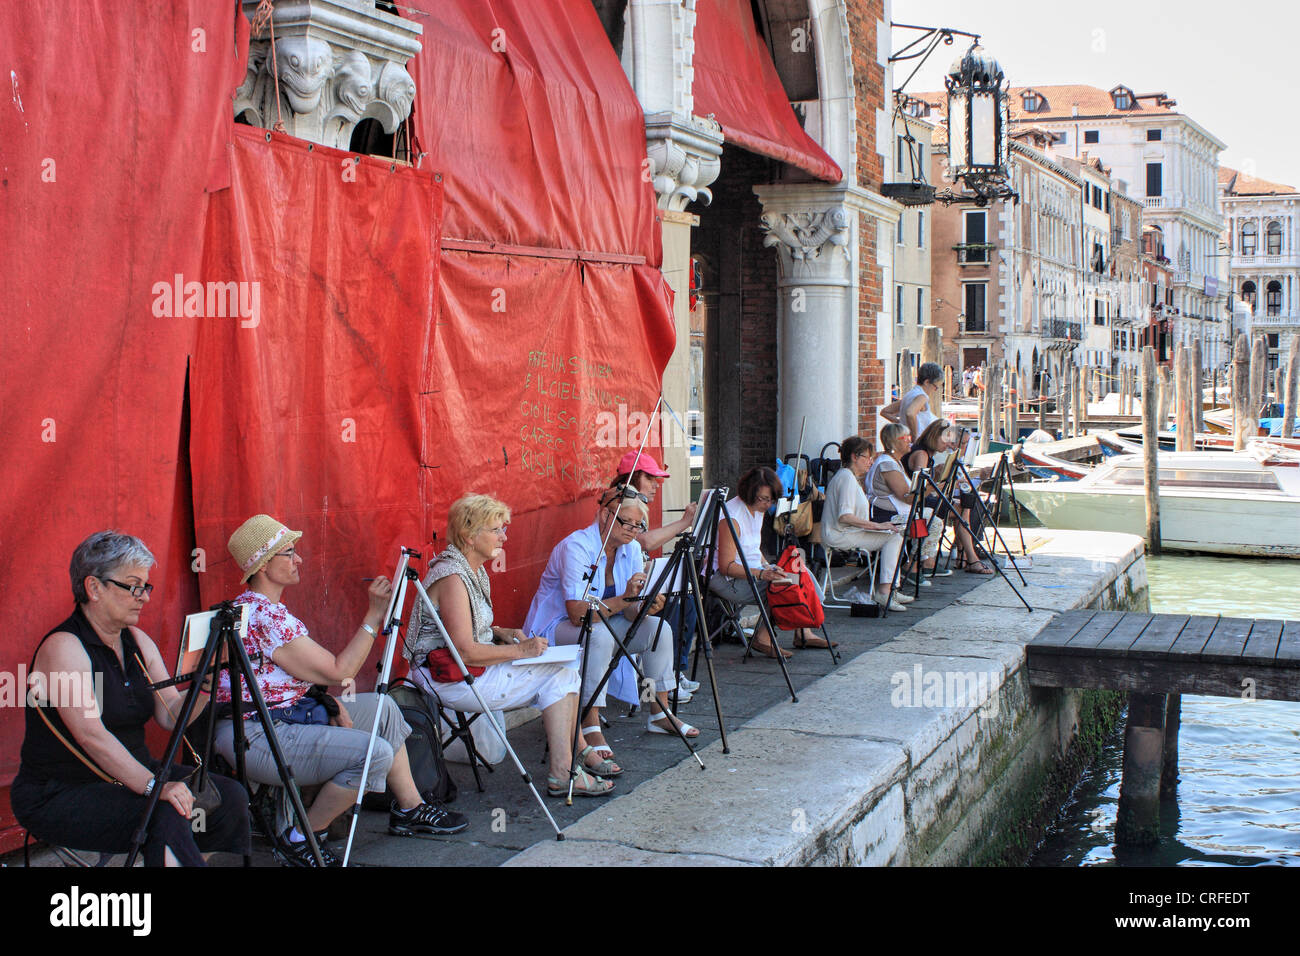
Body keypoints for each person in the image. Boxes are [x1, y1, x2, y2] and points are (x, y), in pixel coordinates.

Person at [215, 514, 467, 867]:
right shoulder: (264, 616)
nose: (298, 559)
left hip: (281, 716)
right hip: (261, 733)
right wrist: (374, 614)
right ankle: (301, 837)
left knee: (384, 708)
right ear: (263, 565)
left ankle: (410, 808)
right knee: (374, 754)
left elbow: (298, 681)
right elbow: (340, 671)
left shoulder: (260, 609)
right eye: (289, 553)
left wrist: (328, 705)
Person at [12, 531, 250, 867]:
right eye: (133, 586)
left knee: (230, 798)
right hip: (63, 790)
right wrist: (154, 786)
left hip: (134, 773)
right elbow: (91, 736)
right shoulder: (64, 647)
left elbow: (170, 715)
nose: (144, 597)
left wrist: (207, 684)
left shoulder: (137, 641)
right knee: (163, 811)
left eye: (146, 586)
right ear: (94, 588)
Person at [405, 495, 613, 798]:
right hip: (447, 677)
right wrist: (521, 650)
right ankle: (566, 769)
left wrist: (501, 631)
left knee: (565, 670)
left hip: (463, 668)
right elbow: (464, 651)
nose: (504, 537)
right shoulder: (453, 576)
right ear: (469, 534)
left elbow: (469, 631)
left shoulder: (470, 568)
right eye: (496, 530)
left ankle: (569, 766)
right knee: (561, 675)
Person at [523, 490, 697, 769]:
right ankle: (590, 722)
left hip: (603, 620)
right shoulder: (577, 547)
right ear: (605, 515)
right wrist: (626, 599)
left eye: (638, 526)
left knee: (658, 629)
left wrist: (644, 606)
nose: (632, 531)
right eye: (626, 523)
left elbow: (628, 611)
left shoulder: (629, 550)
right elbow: (578, 614)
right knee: (600, 634)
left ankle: (659, 710)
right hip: (555, 628)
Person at [608, 450, 700, 699]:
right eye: (650, 479)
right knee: (669, 603)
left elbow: (639, 550)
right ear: (634, 478)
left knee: (685, 597)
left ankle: (672, 674)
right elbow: (642, 542)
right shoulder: (618, 504)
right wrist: (684, 522)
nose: (656, 486)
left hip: (632, 582)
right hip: (615, 591)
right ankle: (662, 682)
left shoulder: (639, 505)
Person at [710, 466, 829, 659]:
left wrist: (769, 566)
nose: (768, 505)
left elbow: (753, 549)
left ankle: (803, 631)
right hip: (726, 579)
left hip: (752, 570)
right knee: (781, 587)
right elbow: (726, 566)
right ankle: (763, 638)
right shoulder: (732, 517)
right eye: (764, 499)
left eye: (772, 500)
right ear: (750, 493)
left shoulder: (757, 508)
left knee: (800, 573)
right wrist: (764, 573)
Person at [820, 437, 910, 610]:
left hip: (846, 532)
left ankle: (890, 588)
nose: (871, 462)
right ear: (854, 457)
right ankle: (885, 590)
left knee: (895, 534)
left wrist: (881, 526)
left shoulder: (849, 477)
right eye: (867, 458)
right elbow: (845, 516)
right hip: (839, 534)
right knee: (893, 538)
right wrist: (878, 526)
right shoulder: (846, 477)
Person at [903, 420, 992, 574]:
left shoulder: (927, 454)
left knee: (964, 505)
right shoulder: (922, 454)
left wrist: (938, 476)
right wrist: (939, 482)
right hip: (914, 502)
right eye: (946, 441)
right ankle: (967, 558)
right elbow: (919, 488)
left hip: (921, 499)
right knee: (962, 509)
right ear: (934, 436)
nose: (948, 446)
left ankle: (966, 556)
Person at [866, 424, 939, 589]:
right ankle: (911, 566)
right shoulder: (887, 465)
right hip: (885, 516)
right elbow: (908, 498)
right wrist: (933, 486)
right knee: (931, 520)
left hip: (896, 512)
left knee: (932, 517)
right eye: (905, 438)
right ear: (893, 442)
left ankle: (915, 562)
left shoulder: (894, 462)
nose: (910, 441)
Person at [881, 361, 943, 441]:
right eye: (935, 387)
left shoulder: (909, 395)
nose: (935, 390)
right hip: (918, 443)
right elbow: (910, 413)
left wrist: (901, 423)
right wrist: (915, 436)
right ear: (927, 382)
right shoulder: (922, 397)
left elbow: (885, 412)